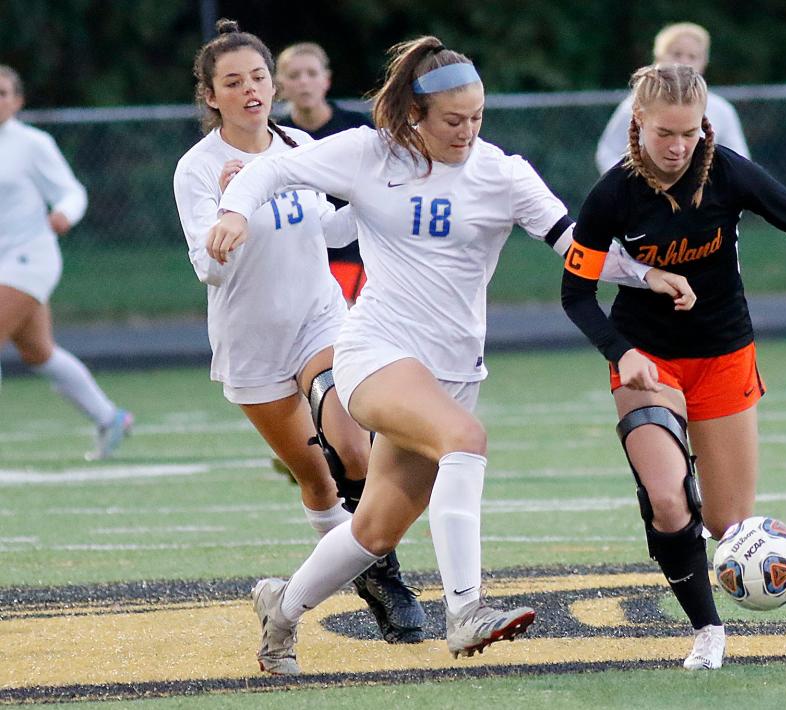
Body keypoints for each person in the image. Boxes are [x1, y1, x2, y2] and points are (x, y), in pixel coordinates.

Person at [209, 36, 688, 674]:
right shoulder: (367, 153)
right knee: (465, 437)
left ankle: (283, 610)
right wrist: (235, 211)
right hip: (375, 348)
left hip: (455, 369)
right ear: (415, 116)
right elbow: (271, 169)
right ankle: (465, 610)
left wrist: (643, 275)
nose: (468, 132)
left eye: (478, 118)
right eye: (453, 121)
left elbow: (571, 242)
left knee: (375, 530)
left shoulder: (502, 172)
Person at [562, 63, 786, 670]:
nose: (678, 146)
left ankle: (695, 520)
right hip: (647, 360)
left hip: (723, 354)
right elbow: (575, 294)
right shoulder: (612, 194)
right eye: (665, 132)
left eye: (689, 132)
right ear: (639, 124)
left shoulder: (728, 173)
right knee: (666, 500)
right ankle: (707, 631)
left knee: (727, 526)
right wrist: (621, 351)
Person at [172, 20, 426, 652]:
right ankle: (289, 606)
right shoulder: (198, 169)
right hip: (253, 341)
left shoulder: (296, 146)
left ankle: (387, 582)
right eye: (233, 82)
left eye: (258, 77)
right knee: (317, 481)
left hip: (321, 319)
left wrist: (381, 197)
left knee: (355, 447)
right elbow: (209, 267)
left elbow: (332, 231)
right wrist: (239, 205)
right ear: (211, 95)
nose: (251, 91)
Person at [0, 64, 133, 461]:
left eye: (4, 93)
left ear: (18, 101)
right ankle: (111, 418)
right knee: (38, 352)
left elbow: (72, 192)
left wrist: (64, 214)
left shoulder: (31, 143)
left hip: (29, 259)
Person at [276, 42, 373, 305]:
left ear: (326, 80)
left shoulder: (356, 128)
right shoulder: (274, 136)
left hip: (352, 252)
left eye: (311, 73)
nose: (304, 82)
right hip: (299, 256)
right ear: (280, 85)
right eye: (294, 75)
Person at [595, 22, 750, 174]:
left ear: (704, 63)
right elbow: (608, 152)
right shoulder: (636, 105)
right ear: (659, 57)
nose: (684, 62)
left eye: (692, 56)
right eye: (676, 54)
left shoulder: (721, 109)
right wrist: (629, 186)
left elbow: (739, 160)